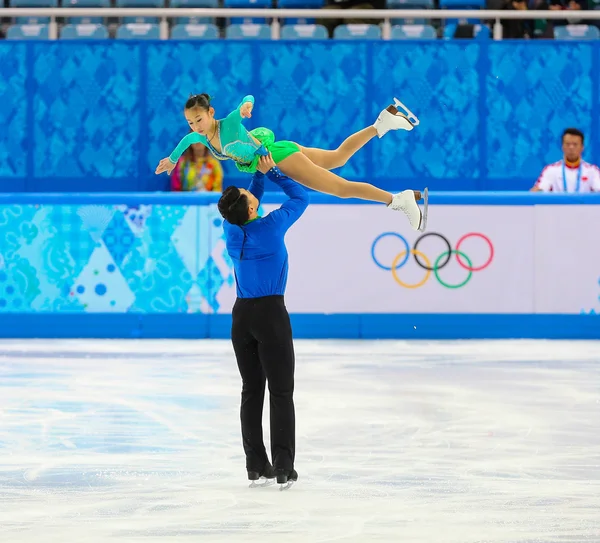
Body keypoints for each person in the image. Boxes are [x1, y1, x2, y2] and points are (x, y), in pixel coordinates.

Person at [156, 93, 426, 231]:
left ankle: (398, 200)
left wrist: (246, 107)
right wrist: (171, 160)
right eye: (190, 122)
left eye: (199, 119)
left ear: (210, 112)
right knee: (337, 157)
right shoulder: (201, 136)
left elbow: (246, 99)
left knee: (342, 189)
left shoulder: (228, 123)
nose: (195, 126)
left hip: (280, 158)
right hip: (279, 148)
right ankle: (383, 123)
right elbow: (185, 141)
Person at [218, 152, 307, 490]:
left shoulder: (231, 227)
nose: (252, 194)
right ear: (252, 209)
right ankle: (283, 465)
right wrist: (275, 173)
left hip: (241, 318)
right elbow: (301, 197)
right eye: (251, 197)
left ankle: (255, 464)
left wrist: (258, 174)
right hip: (270, 315)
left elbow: (248, 202)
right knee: (281, 391)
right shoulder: (271, 227)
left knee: (251, 390)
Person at [531, 128, 600, 193]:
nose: (571, 147)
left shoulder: (592, 171)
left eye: (575, 144)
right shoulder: (550, 170)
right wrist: (536, 191)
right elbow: (538, 192)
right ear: (562, 147)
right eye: (567, 144)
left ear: (582, 147)